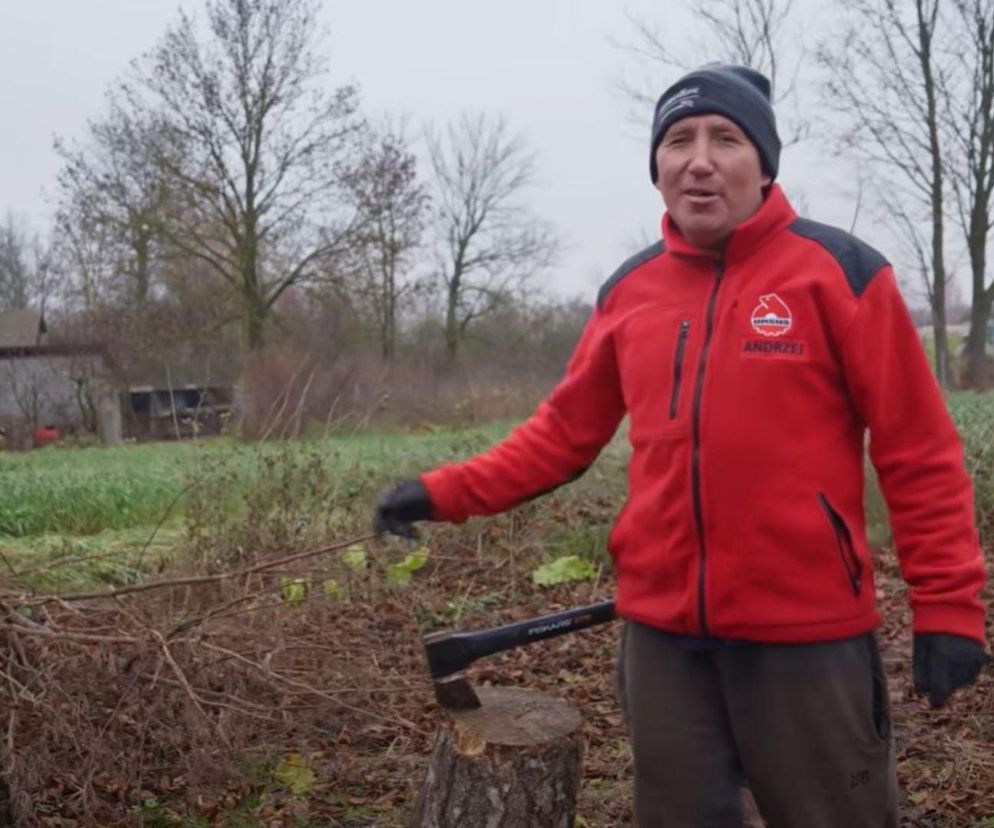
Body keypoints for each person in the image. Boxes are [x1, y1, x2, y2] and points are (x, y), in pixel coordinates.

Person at [375, 64, 989, 827]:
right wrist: (439, 492)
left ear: (763, 165)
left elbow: (919, 454)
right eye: (678, 140)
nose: (699, 159)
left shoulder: (842, 275)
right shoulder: (631, 293)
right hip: (663, 646)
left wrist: (950, 611)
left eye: (725, 138)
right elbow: (560, 438)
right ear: (658, 169)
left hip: (806, 641)